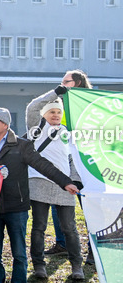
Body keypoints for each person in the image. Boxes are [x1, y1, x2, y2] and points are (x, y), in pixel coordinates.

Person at [0, 108, 80, 283]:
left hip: (17, 208)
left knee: (19, 251)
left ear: (5, 124)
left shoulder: (22, 146)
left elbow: (43, 165)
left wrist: (66, 182)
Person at [27, 70, 94, 263]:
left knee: (87, 208)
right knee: (58, 208)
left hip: (84, 162)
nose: (63, 84)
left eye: (67, 81)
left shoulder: (86, 104)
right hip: (63, 162)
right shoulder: (61, 103)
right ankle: (61, 243)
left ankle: (92, 249)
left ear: (78, 82)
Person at [27, 99, 85, 282]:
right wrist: (56, 92)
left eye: (58, 112)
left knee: (69, 227)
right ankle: (38, 265)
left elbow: (73, 158)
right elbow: (32, 107)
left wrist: (76, 180)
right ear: (43, 114)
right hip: (39, 181)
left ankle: (77, 266)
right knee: (39, 227)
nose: (55, 115)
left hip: (64, 185)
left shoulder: (67, 133)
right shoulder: (36, 129)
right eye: (51, 111)